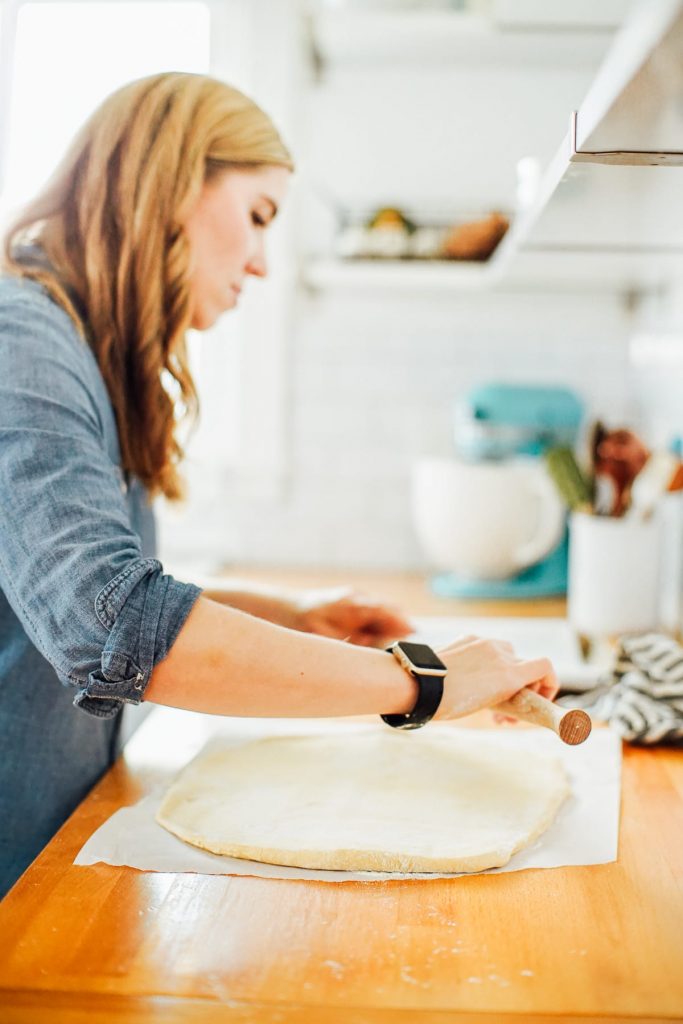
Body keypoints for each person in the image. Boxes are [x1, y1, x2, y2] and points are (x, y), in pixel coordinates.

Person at [0, 72, 557, 899]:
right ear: (171, 178)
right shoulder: (22, 341)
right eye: (258, 215)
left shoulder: (81, 351)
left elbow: (64, 601)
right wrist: (423, 683)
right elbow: (108, 626)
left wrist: (290, 617)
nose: (261, 263)